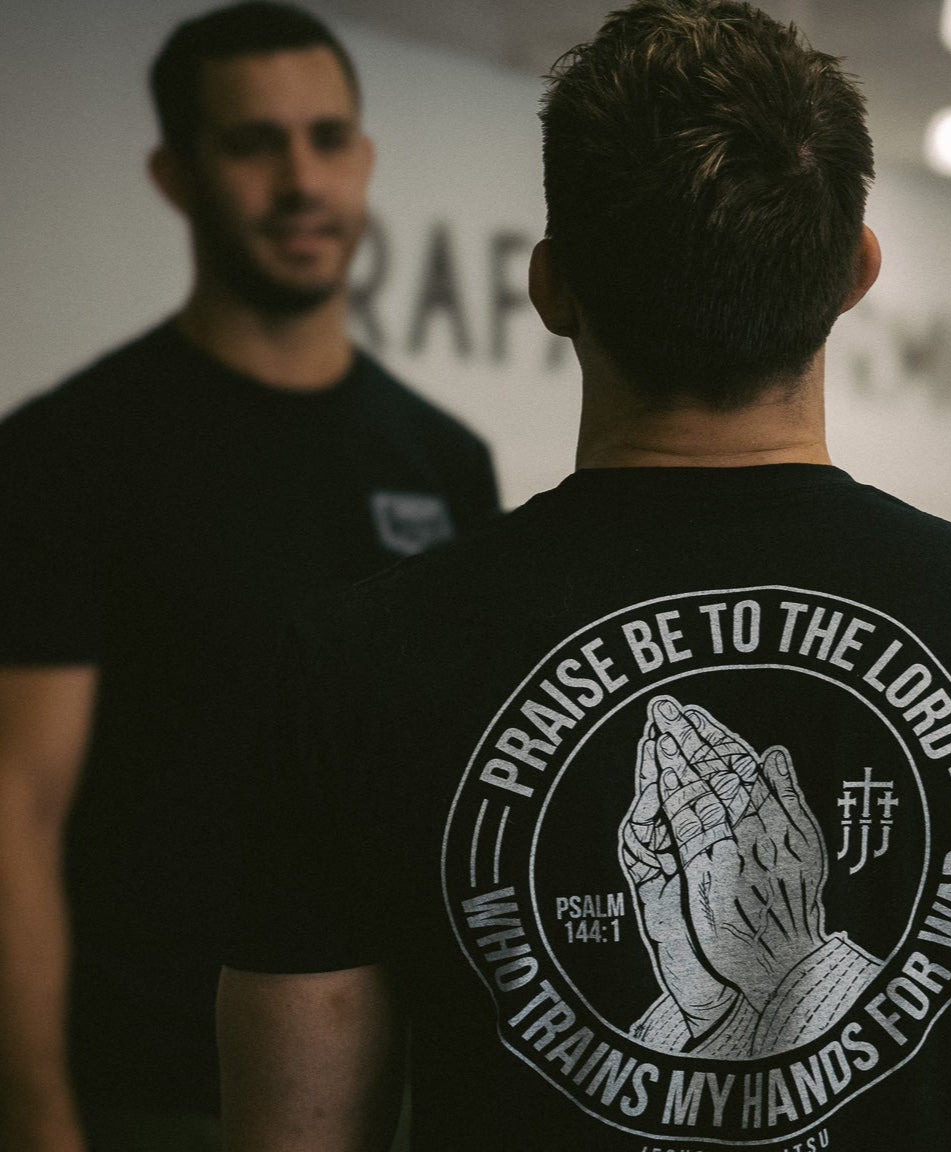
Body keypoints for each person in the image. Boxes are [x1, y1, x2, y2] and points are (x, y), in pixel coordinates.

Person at [215, 2, 951, 1149]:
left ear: (551, 287)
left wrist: (757, 985)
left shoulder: (350, 664)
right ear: (857, 273)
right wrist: (735, 991)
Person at [0, 3, 499, 1150]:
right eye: (252, 143)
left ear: (366, 158)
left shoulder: (440, 459)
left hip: (408, 1087)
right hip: (160, 1093)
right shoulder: (67, 456)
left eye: (328, 138)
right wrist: (35, 1115)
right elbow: (16, 813)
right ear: (175, 175)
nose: (300, 179)